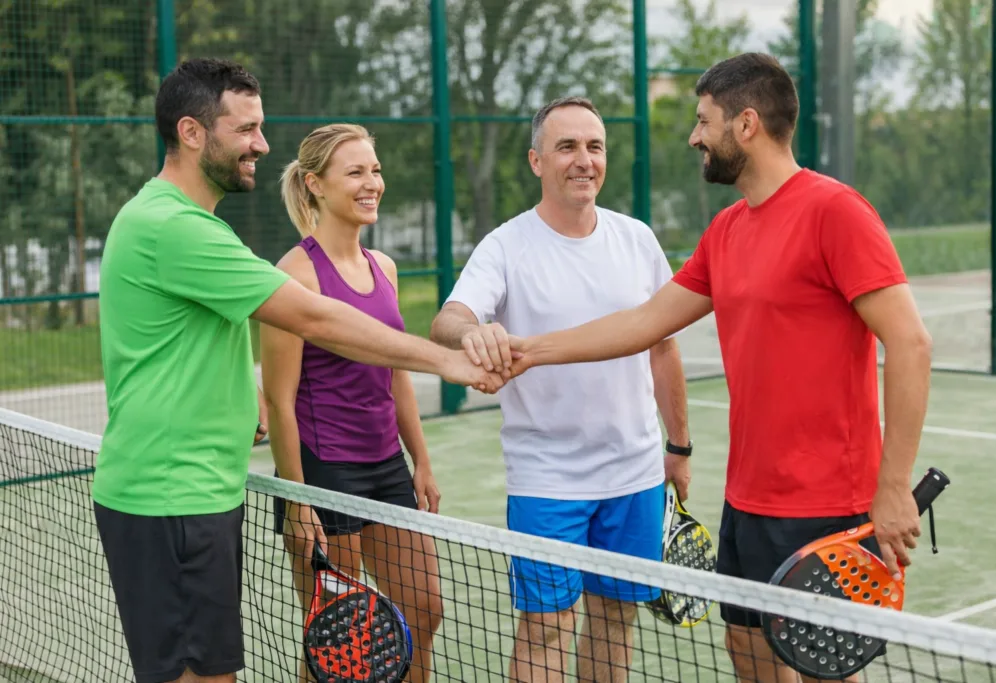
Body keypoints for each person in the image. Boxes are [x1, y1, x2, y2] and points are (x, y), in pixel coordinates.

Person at [503, 53, 933, 683]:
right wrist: (527, 352)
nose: (694, 136)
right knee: (748, 652)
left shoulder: (835, 212)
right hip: (747, 497)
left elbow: (911, 344)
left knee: (820, 670)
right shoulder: (727, 230)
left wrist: (893, 487)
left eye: (704, 121)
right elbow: (643, 323)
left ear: (747, 124)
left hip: (826, 501)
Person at [92, 58, 505, 683]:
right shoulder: (174, 228)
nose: (261, 143)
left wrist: (245, 399)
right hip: (169, 499)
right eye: (247, 129)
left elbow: (191, 341)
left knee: (210, 672)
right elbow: (317, 320)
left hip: (195, 492)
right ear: (192, 132)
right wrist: (448, 358)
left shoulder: (179, 223)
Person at [429, 96, 692, 683]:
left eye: (594, 146)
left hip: (636, 474)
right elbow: (447, 321)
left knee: (615, 621)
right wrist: (477, 331)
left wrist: (679, 447)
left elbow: (663, 347)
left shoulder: (638, 239)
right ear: (536, 161)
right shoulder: (505, 245)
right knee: (546, 628)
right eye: (567, 147)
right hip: (548, 481)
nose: (584, 160)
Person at [260, 123, 443, 683]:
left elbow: (397, 375)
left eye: (376, 170)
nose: (372, 183)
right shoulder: (292, 275)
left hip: (387, 467)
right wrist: (297, 498)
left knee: (424, 611)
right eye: (356, 172)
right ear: (315, 184)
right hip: (324, 472)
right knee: (341, 637)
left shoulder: (383, 267)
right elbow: (279, 398)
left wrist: (422, 460)